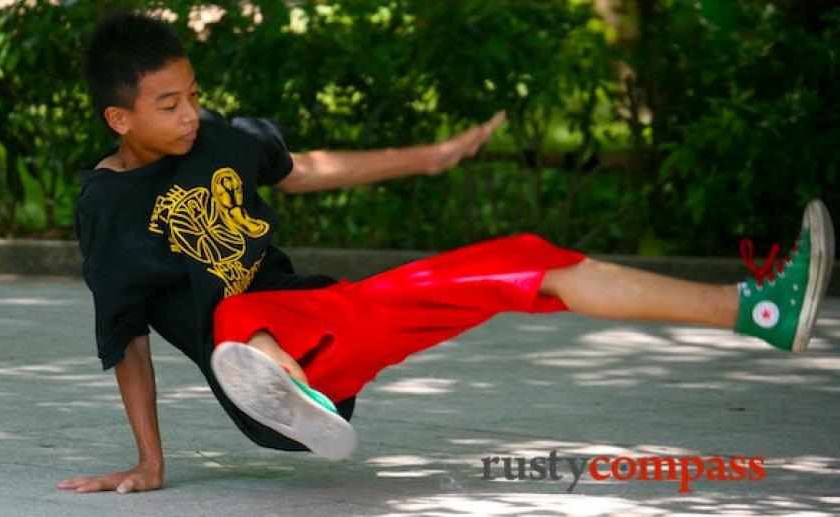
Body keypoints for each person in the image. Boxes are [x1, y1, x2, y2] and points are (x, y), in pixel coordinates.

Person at [60, 10, 835, 494]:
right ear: (119, 118)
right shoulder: (107, 205)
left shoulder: (218, 136)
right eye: (170, 104)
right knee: (239, 313)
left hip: (333, 326)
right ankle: (276, 380)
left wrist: (426, 156)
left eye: (194, 91)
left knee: (526, 259)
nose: (192, 112)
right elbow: (125, 334)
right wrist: (149, 461)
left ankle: (757, 308)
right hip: (249, 369)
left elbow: (306, 170)